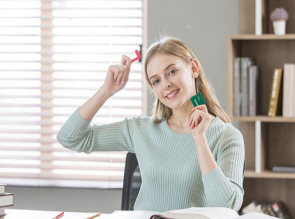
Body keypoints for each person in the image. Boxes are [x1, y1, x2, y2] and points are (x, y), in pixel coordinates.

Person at [57, 36, 245, 212]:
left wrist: (200, 140)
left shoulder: (226, 136)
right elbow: (70, 138)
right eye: (156, 81)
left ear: (193, 68)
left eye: (172, 71)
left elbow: (226, 207)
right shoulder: (141, 130)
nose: (165, 85)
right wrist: (106, 91)